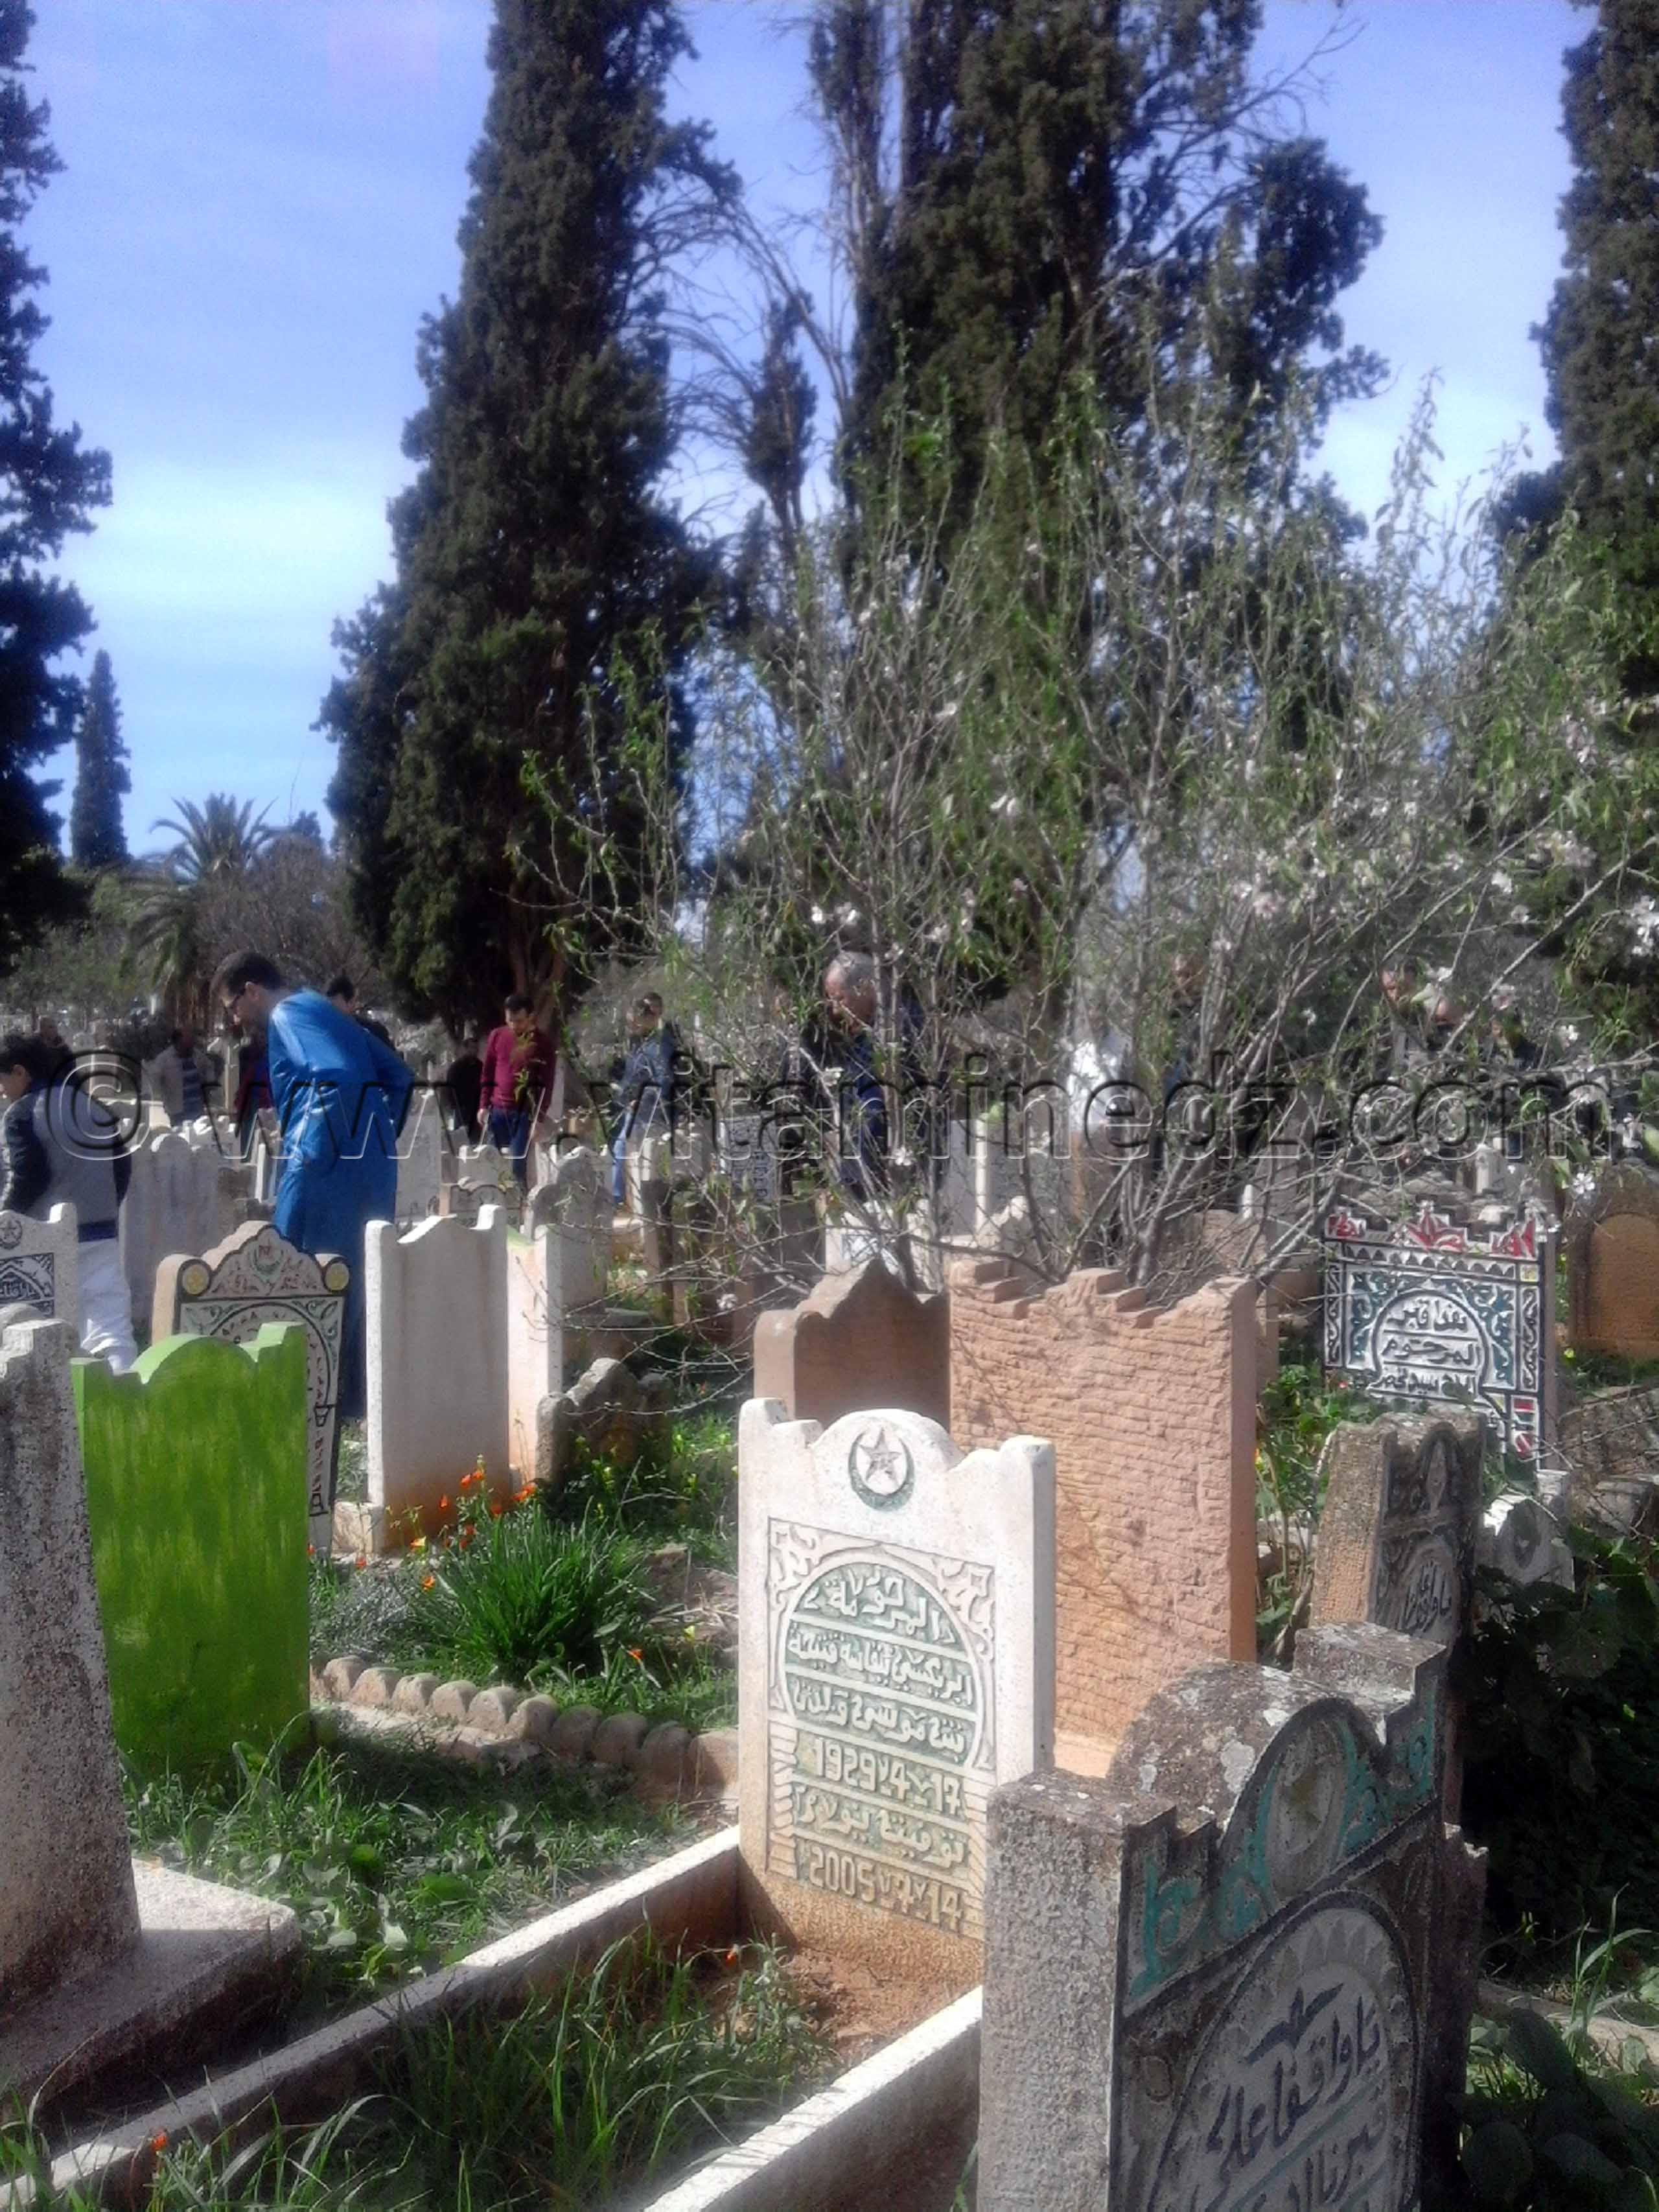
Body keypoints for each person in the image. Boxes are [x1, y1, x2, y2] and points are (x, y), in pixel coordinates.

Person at [213, 951, 413, 1419]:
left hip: (324, 1173)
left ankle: (304, 1405)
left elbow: (336, 1078)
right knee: (357, 1284)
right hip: (371, 1169)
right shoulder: (327, 1011)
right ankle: (355, 1405)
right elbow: (399, 1077)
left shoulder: (286, 1015)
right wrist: (377, 1139)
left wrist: (308, 1156)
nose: (237, 1020)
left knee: (298, 1281)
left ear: (252, 990)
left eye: (233, 1007)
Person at [1, 1030, 137, 1370]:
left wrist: (7, 1219)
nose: (2, 1091)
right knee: (110, 1328)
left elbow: (28, 1175)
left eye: (2, 1081)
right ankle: (124, 1402)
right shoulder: (95, 1108)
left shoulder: (21, 1114)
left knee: (42, 1332)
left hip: (42, 1241)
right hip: (101, 1233)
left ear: (20, 1073)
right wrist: (106, 1205)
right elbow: (121, 1165)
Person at [610, 992, 680, 1205]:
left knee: (624, 1148)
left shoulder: (660, 1045)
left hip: (653, 1111)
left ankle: (617, 1198)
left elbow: (663, 1080)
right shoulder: (639, 1044)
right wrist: (619, 1091)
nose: (632, 1027)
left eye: (635, 1023)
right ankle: (621, 1197)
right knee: (622, 1147)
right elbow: (631, 1075)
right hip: (635, 1108)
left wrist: (643, 1097)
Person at [479, 993, 555, 1188]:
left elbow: (547, 1084)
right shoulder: (497, 1036)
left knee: (516, 1166)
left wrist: (539, 1118)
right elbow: (488, 1073)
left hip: (523, 1114)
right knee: (489, 1164)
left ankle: (517, 1209)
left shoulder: (543, 1044)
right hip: (497, 1110)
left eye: (519, 1021)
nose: (514, 1026)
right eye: (510, 1021)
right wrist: (483, 1105)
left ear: (531, 1017)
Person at [145, 1023, 219, 1126]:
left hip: (197, 1108)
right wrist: (160, 1094)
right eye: (188, 1039)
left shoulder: (196, 1054)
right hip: (177, 1110)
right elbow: (153, 1077)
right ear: (178, 1041)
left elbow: (209, 1065)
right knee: (181, 1138)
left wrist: (209, 1083)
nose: (192, 1042)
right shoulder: (165, 1059)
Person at [325, 972, 394, 1047]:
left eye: (334, 1008)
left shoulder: (374, 1033)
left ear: (351, 1002)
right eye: (328, 1006)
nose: (331, 1012)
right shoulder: (322, 1033)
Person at [443, 1030, 484, 1145]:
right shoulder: (456, 1067)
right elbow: (449, 1088)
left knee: (476, 1140)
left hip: (476, 1108)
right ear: (466, 1049)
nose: (475, 1051)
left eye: (476, 1048)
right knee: (460, 1139)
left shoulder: (480, 1066)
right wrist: (454, 1106)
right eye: (472, 1048)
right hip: (461, 1107)